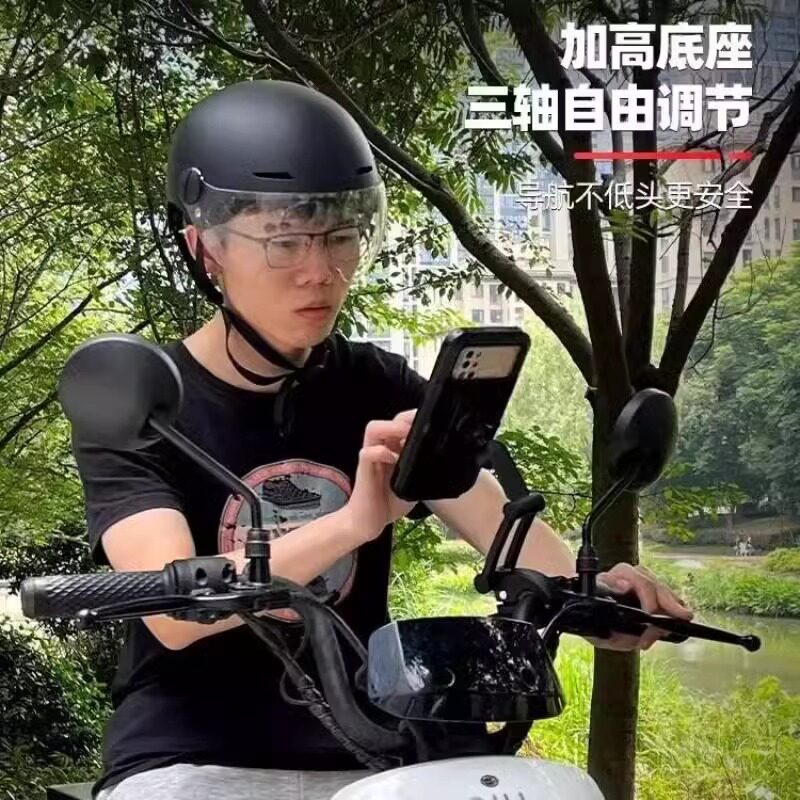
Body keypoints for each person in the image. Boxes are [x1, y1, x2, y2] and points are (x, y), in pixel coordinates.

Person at [71, 80, 692, 800]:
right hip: (189, 760)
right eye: (283, 242)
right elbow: (171, 611)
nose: (320, 272)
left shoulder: (378, 385)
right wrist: (353, 523)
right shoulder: (140, 400)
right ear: (204, 248)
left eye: (340, 237)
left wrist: (598, 596)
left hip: (370, 753)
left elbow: (501, 528)